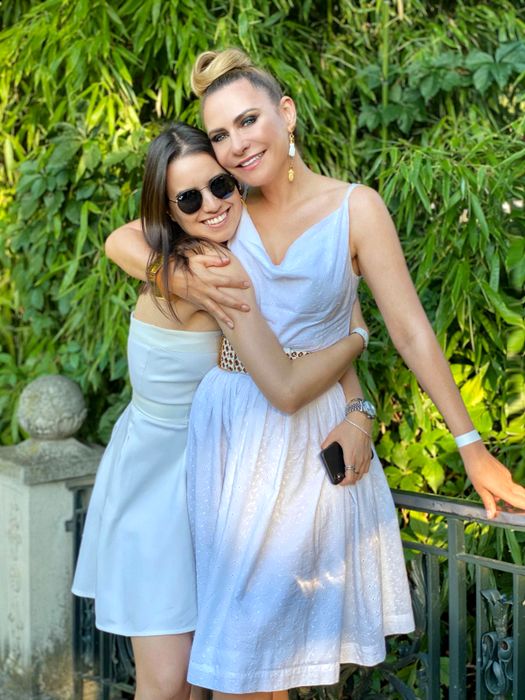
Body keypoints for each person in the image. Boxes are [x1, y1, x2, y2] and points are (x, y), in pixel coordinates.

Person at [107, 49, 525, 698]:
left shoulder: (355, 209)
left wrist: (465, 444)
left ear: (287, 112)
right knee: (238, 669)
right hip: (228, 444)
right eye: (220, 134)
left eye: (248, 120)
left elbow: (409, 331)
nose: (236, 145)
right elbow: (125, 237)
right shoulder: (222, 211)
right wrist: (182, 274)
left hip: (307, 445)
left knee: (261, 669)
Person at [73, 122, 368, 700]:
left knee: (220, 676)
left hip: (216, 475)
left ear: (237, 181)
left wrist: (357, 403)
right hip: (161, 484)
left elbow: (307, 337)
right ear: (169, 212)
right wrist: (358, 338)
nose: (210, 204)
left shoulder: (226, 251)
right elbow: (290, 381)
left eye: (220, 186)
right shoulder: (210, 267)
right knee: (172, 684)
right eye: (189, 198)